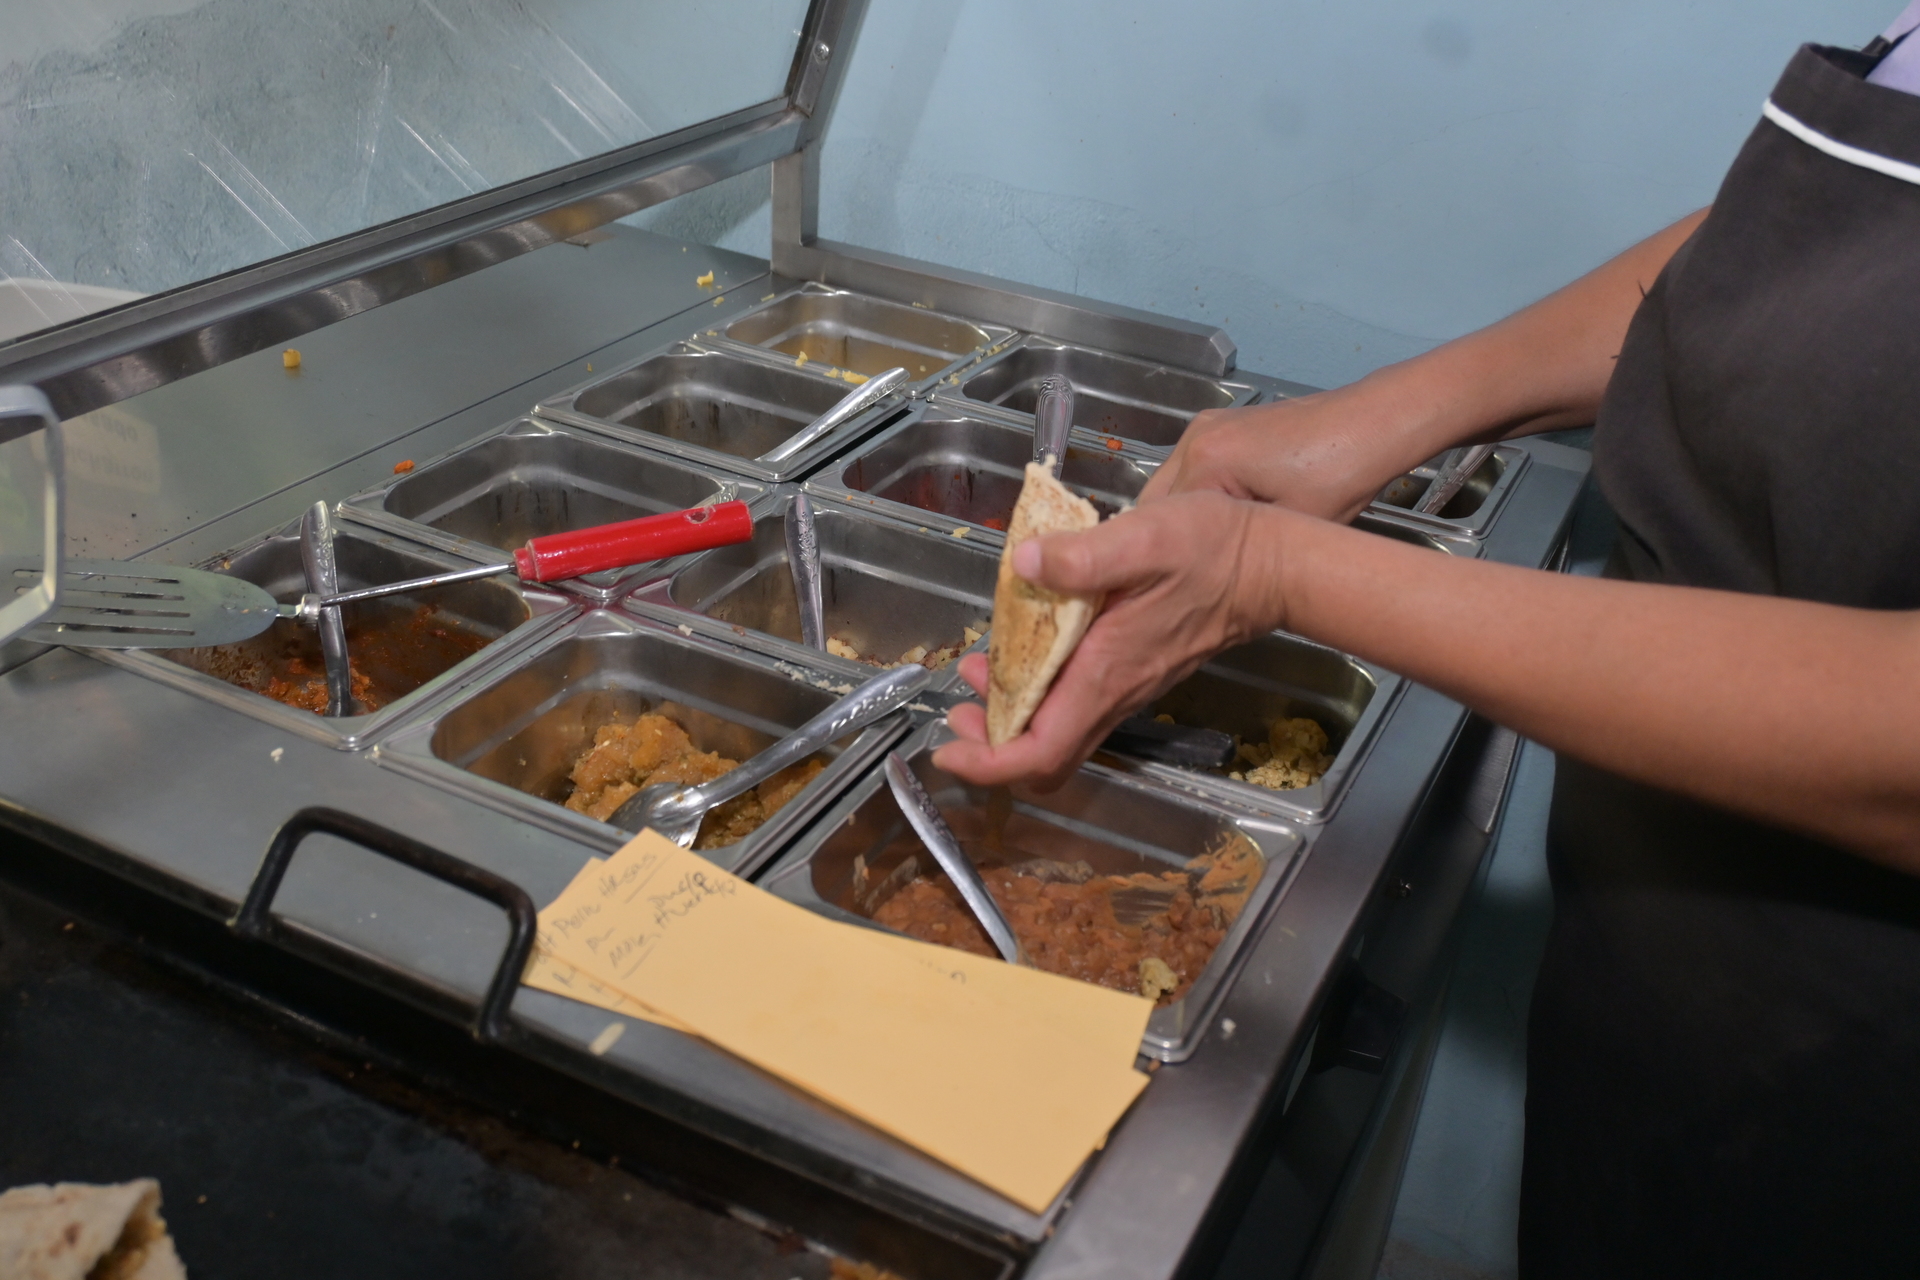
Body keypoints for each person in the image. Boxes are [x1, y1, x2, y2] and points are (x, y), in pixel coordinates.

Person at [932, 11, 1920, 1277]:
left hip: (1858, 1083)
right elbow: (1772, 261)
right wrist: (1382, 417)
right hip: (1664, 963)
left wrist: (1276, 571)